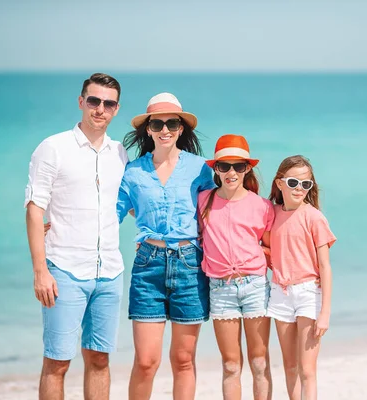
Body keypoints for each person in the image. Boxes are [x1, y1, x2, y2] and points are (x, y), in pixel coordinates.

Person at [25, 73, 128, 400]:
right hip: (64, 271)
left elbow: (128, 204)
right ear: (81, 101)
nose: (100, 109)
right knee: (57, 362)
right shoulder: (53, 148)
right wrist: (41, 271)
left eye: (108, 103)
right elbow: (34, 208)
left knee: (99, 358)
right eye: (94, 100)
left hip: (110, 272)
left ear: (116, 109)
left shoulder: (120, 153)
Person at [116, 93, 214, 400]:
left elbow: (219, 213)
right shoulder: (132, 172)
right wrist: (61, 224)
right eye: (157, 123)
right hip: (148, 266)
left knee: (183, 360)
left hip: (189, 265)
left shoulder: (201, 169)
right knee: (146, 362)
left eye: (172, 122)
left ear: (181, 127)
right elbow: (110, 214)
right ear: (148, 129)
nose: (165, 129)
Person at [198, 134, 274, 399]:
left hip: (255, 285)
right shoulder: (203, 201)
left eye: (238, 166)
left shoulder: (262, 206)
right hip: (220, 289)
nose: (231, 172)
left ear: (247, 168)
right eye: (224, 166)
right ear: (215, 168)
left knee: (259, 361)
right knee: (230, 365)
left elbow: (272, 247)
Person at [265, 155, 336, 400]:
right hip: (279, 294)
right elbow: (264, 246)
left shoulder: (314, 217)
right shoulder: (271, 214)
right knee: (290, 366)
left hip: (308, 294)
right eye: (294, 182)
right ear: (279, 183)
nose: (300, 189)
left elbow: (325, 267)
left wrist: (324, 313)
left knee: (307, 370)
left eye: (306, 185)